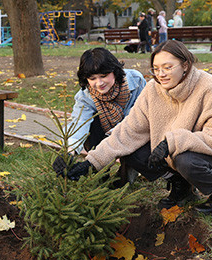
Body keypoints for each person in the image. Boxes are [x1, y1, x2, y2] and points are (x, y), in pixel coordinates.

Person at [61, 40, 212, 216]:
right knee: (132, 150)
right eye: (156, 68)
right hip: (181, 154)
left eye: (168, 67)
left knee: (185, 159)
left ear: (185, 65)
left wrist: (173, 141)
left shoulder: (209, 87)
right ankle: (181, 186)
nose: (161, 74)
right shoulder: (153, 89)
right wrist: (91, 163)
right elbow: (128, 131)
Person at [55, 48, 147, 187]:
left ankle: (127, 175)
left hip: (132, 133)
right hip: (104, 134)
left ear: (114, 71)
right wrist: (68, 152)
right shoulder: (85, 97)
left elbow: (140, 120)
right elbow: (79, 124)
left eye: (103, 76)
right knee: (91, 127)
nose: (99, 83)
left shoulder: (136, 81)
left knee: (127, 173)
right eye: (92, 78)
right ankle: (101, 172)